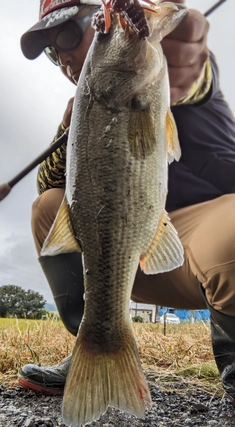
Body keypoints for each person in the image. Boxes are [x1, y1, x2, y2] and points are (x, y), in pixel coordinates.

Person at [19, 0, 235, 401]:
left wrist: (175, 34)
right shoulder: (83, 112)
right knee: (47, 207)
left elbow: (191, 55)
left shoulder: (165, 66)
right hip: (131, 262)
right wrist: (69, 126)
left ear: (100, 20)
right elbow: (45, 184)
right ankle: (95, 339)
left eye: (67, 34)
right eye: (52, 51)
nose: (63, 56)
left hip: (209, 248)